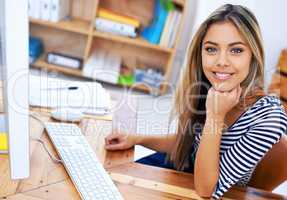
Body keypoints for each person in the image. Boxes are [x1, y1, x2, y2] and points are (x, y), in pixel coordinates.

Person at [105, 4, 287, 199]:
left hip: (204, 188)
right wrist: (137, 138)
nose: (221, 61)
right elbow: (188, 146)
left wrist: (215, 117)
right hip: (180, 168)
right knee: (106, 183)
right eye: (211, 49)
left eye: (236, 50)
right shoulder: (212, 87)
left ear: (253, 55)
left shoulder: (269, 118)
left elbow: (205, 189)